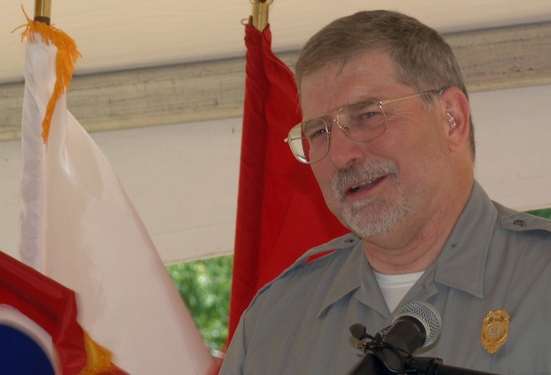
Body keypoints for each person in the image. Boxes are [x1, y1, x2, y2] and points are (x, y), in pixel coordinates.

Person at [219, 9, 551, 375]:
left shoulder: (539, 280)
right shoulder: (273, 323)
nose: (342, 155)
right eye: (319, 133)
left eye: (367, 115)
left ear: (451, 118)